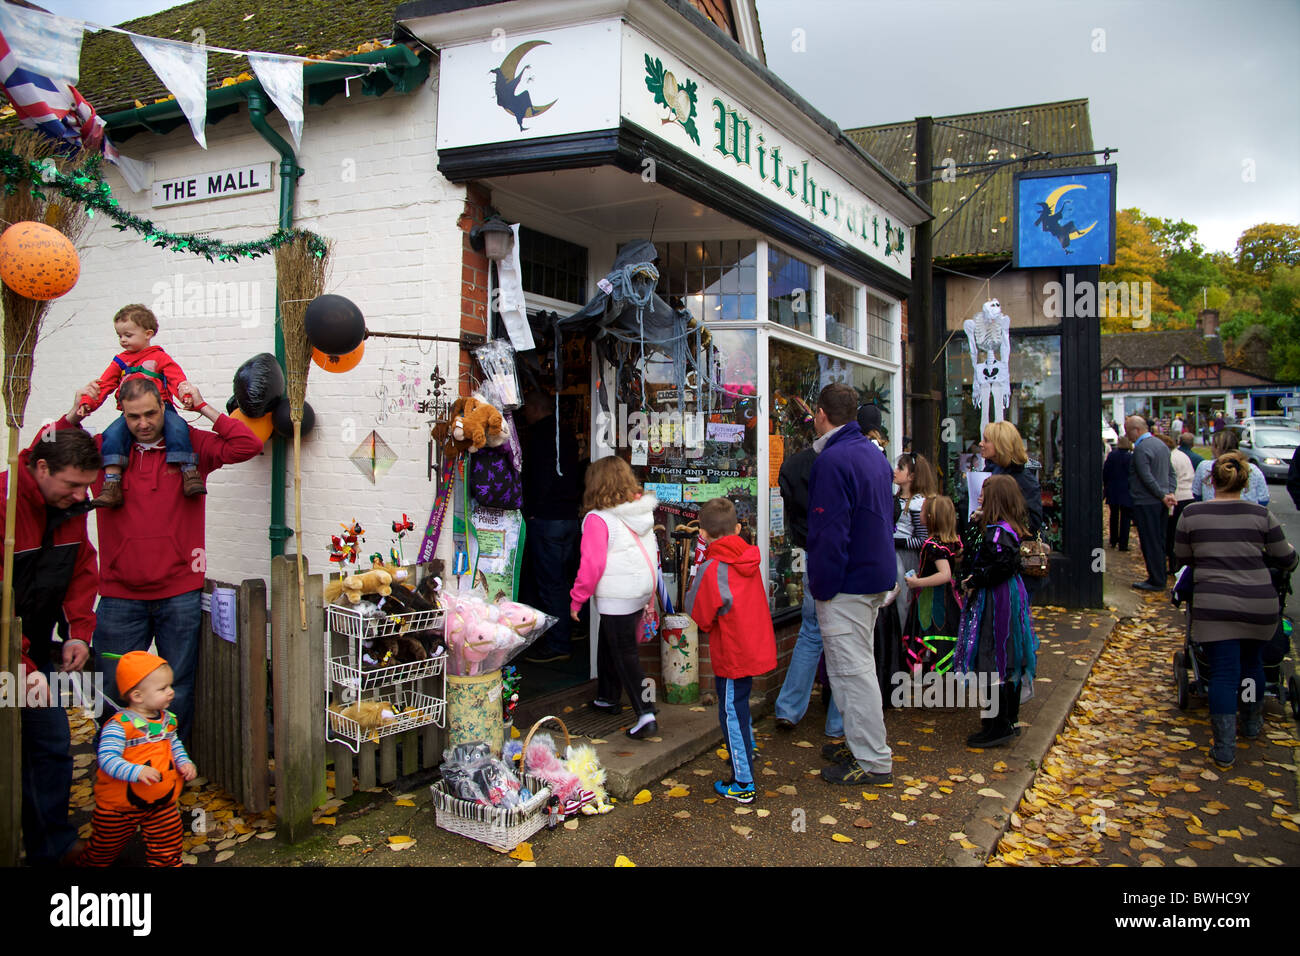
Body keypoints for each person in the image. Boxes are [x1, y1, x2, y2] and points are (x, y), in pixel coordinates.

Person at [62, 377, 262, 744]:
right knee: (115, 686)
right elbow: (44, 453)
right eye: (133, 415)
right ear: (121, 411)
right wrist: (75, 415)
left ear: (164, 406)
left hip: (179, 591)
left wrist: (203, 408)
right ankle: (117, 765)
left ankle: (170, 764)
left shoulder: (191, 448)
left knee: (178, 687)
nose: (143, 423)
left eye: (151, 413)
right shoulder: (105, 453)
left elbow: (247, 443)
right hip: (120, 594)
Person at [2, 423, 101, 866]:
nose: (83, 496)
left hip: (34, 650)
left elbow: (81, 569)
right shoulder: (4, 504)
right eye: (74, 484)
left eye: (87, 486)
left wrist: (78, 631)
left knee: (50, 746)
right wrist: (19, 664)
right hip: (10, 650)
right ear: (41, 467)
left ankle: (52, 849)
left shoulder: (70, 506)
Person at [1174, 453, 1297, 769]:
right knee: (1253, 663)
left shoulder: (1192, 515)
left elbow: (1182, 555)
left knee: (1224, 673)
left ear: (1210, 480)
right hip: (1259, 603)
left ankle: (1225, 749)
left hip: (1215, 604)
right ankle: (1253, 723)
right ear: (1245, 481)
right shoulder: (1261, 515)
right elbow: (1286, 557)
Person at [805, 383, 896, 785]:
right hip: (874, 574)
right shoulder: (872, 455)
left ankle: (873, 760)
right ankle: (862, 746)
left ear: (821, 415)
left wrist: (822, 585)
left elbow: (828, 532)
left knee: (851, 671)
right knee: (857, 668)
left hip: (848, 583)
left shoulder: (833, 461)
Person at [686, 498, 777, 804]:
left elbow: (698, 612)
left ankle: (743, 781)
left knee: (731, 714)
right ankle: (745, 755)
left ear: (704, 534)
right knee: (739, 709)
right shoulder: (749, 558)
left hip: (731, 653)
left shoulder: (713, 567)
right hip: (752, 646)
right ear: (737, 528)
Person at [77, 651, 197, 867]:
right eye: (163, 689)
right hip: (119, 807)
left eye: (170, 686)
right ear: (137, 695)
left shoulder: (167, 720)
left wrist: (184, 762)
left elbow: (173, 744)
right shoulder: (120, 726)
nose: (171, 692)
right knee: (102, 850)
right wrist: (136, 771)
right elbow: (107, 758)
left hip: (162, 804)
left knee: (168, 848)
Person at [569, 456, 660, 739]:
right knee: (610, 642)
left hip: (619, 594)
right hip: (639, 590)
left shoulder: (598, 519)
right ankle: (607, 696)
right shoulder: (637, 512)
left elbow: (591, 565)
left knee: (625, 654)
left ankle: (645, 713)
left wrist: (577, 599)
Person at [77, 304, 203, 507]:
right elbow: (104, 384)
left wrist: (185, 395)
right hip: (131, 413)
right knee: (113, 433)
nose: (123, 340)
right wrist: (87, 403)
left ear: (148, 334)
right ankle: (112, 483)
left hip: (161, 408)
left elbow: (176, 379)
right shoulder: (119, 362)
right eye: (119, 336)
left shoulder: (159, 357)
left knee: (178, 427)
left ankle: (188, 471)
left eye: (128, 335)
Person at [955, 475, 1038, 747]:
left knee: (994, 654)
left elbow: (1001, 565)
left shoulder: (998, 532)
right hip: (1007, 595)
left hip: (996, 599)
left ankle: (997, 724)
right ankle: (1007, 720)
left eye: (984, 493)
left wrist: (975, 580)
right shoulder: (1003, 528)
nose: (979, 496)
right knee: (1007, 654)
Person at [773, 429, 843, 738]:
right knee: (843, 640)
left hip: (813, 554)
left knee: (811, 632)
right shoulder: (841, 464)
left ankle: (788, 708)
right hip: (840, 559)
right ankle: (837, 722)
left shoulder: (794, 467)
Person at [519, 388, 582, 664]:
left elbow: (540, 477)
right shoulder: (565, 432)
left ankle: (558, 643)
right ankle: (573, 628)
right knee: (567, 579)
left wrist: (531, 510)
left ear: (535, 408)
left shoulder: (540, 436)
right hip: (569, 516)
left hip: (547, 518)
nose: (525, 415)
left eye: (527, 410)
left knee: (551, 583)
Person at [902, 495, 963, 675]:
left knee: (928, 635)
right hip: (946, 598)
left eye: (922, 510)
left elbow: (944, 574)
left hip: (933, 601)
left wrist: (917, 582)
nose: (919, 513)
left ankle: (927, 678)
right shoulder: (951, 542)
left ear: (930, 516)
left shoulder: (933, 545)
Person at [1125, 414, 1176, 592]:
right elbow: (1171, 472)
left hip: (1146, 501)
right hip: (1160, 501)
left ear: (1137, 430)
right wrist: (1169, 492)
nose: (1127, 436)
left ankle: (1156, 578)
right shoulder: (1161, 445)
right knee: (1159, 539)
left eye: (1127, 431)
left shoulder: (1141, 449)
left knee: (1150, 540)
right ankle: (1159, 575)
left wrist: (1162, 495)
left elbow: (1146, 477)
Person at [891, 452, 937, 630]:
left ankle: (904, 640)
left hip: (906, 558)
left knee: (904, 601)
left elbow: (923, 539)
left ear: (912, 476)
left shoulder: (918, 503)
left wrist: (899, 543)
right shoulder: (894, 499)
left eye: (900, 468)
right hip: (892, 554)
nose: (895, 471)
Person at [1191, 429, 1269, 505]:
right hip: (1247, 513)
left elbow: (1197, 494)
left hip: (1212, 512)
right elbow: (1263, 499)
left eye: (1213, 445)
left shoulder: (1205, 467)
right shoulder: (1252, 469)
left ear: (1217, 447)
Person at [1163, 433, 1195, 576]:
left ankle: (1174, 565)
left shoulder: (1171, 458)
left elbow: (1171, 481)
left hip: (1178, 498)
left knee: (1172, 534)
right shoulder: (1182, 456)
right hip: (1188, 495)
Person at [1102, 435, 1134, 551]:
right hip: (1126, 489)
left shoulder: (1112, 455)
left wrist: (1106, 485)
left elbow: (1105, 471)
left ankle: (1113, 539)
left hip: (1113, 488)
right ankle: (1123, 543)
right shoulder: (1130, 457)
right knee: (1125, 517)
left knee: (1114, 515)